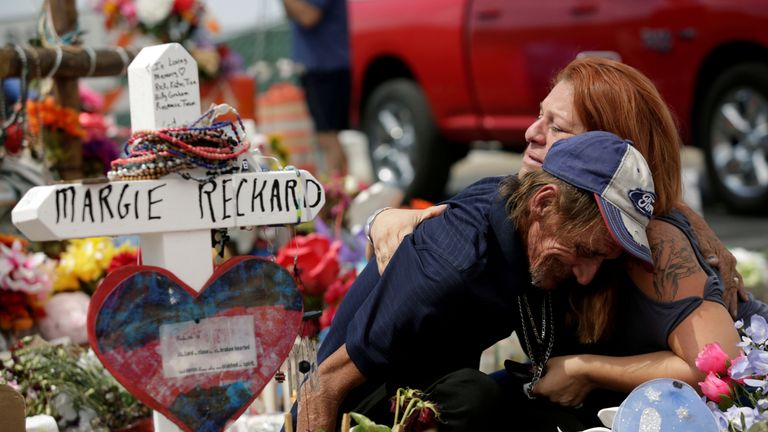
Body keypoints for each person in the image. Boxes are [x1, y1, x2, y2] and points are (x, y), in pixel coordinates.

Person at [366, 57, 760, 429]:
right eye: (540, 115)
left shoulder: (655, 241)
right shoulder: (543, 210)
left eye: (558, 127)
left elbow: (720, 368)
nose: (531, 133)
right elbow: (470, 220)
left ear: (610, 152)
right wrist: (385, 218)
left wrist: (584, 370)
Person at [294, 131, 659, 432]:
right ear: (544, 204)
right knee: (472, 397)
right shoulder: (451, 267)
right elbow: (322, 387)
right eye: (583, 251)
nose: (585, 274)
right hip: (356, 411)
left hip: (431, 387)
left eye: (601, 258)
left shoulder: (516, 211)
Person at [282, 0, 350, 177]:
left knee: (329, 135)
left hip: (328, 67)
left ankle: (338, 191)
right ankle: (339, 188)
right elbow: (292, 13)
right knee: (325, 135)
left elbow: (308, 17)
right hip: (318, 67)